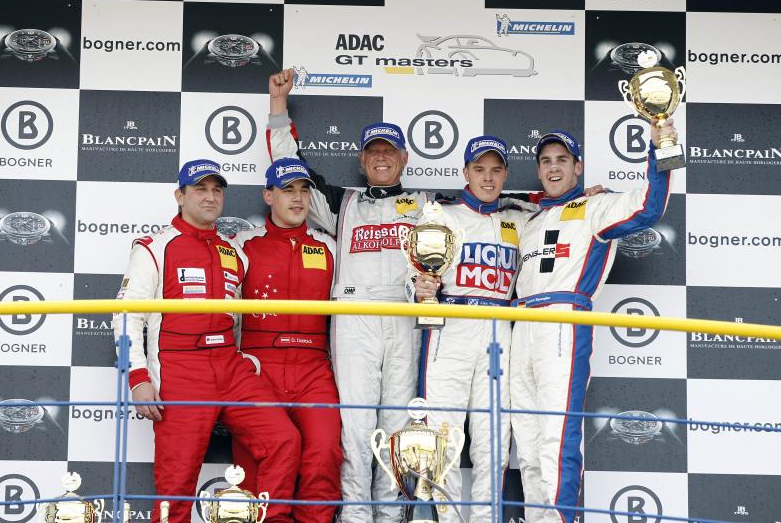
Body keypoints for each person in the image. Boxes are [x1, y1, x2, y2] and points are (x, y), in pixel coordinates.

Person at [265, 68, 432, 522]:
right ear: (362, 160)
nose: (381, 158)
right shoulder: (343, 202)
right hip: (354, 316)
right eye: (373, 151)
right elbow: (291, 166)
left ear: (404, 157)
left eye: (389, 151)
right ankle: (355, 515)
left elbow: (487, 203)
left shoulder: (427, 203)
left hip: (405, 316)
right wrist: (278, 106)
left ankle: (391, 515)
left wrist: (560, 199)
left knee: (398, 422)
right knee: (356, 424)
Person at [112, 159, 301, 523]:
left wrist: (243, 357)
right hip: (181, 369)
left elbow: (239, 316)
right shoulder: (155, 247)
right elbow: (125, 316)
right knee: (176, 485)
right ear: (180, 195)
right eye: (200, 189)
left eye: (217, 190)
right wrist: (137, 377)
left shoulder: (234, 251)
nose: (210, 197)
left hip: (230, 367)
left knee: (284, 440)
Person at [509, 120, 676, 523]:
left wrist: (663, 147)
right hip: (520, 322)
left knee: (557, 435)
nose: (553, 167)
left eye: (562, 160)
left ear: (578, 167)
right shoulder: (529, 217)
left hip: (563, 318)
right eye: (546, 161)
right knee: (527, 443)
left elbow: (650, 206)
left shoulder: (596, 207)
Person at [410, 136, 535, 522]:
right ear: (465, 172)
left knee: (493, 444)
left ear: (506, 174)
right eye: (479, 169)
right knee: (444, 439)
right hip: (451, 326)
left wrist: (591, 194)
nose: (488, 177)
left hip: (499, 331)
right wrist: (420, 288)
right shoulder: (441, 214)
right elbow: (414, 276)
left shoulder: (520, 217)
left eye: (496, 170)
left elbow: (558, 206)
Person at [230, 157, 342, 523]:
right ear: (268, 196)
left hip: (314, 368)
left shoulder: (329, 246)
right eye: (287, 190)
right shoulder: (242, 244)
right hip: (259, 367)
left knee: (324, 454)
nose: (297, 198)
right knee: (254, 464)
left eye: (304, 191)